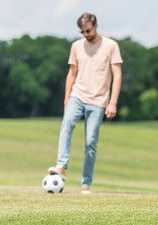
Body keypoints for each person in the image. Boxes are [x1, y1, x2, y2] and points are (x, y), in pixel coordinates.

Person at [48, 13, 123, 194]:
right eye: (82, 32)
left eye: (88, 31)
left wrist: (112, 103)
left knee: (90, 142)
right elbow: (71, 74)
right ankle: (61, 165)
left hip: (98, 100)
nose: (85, 35)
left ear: (96, 26)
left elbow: (117, 74)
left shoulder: (111, 46)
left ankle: (85, 183)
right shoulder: (76, 46)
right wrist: (67, 99)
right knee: (67, 123)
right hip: (78, 95)